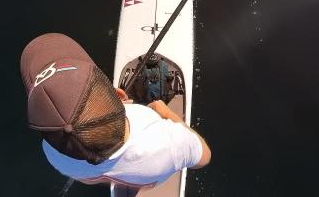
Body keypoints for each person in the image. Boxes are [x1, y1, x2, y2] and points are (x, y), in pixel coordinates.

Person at [20, 33, 211, 188]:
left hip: (98, 175)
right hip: (149, 180)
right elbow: (204, 157)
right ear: (120, 95)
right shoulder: (171, 144)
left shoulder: (52, 152)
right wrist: (165, 112)